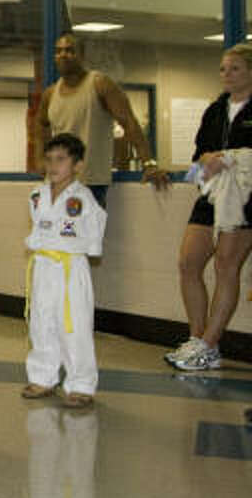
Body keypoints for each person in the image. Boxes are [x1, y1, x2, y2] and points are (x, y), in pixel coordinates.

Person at [165, 43, 252, 371]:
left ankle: (210, 342)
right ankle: (198, 339)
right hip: (213, 194)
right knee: (188, 262)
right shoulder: (215, 110)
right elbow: (199, 152)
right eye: (222, 69)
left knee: (226, 267)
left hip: (244, 199)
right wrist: (207, 159)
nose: (226, 75)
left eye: (235, 69)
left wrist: (233, 158)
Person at [22, 133, 107, 409]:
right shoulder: (37, 194)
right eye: (49, 159)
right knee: (41, 322)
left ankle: (81, 383)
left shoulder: (83, 198)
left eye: (61, 159)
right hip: (44, 265)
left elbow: (96, 226)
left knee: (74, 325)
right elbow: (37, 228)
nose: (53, 165)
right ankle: (43, 376)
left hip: (71, 267)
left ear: (77, 165)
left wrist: (91, 248)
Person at [37, 33, 170, 207]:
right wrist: (41, 160)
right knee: (51, 234)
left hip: (90, 184)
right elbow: (41, 126)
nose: (63, 55)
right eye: (58, 51)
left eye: (69, 50)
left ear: (81, 55)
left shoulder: (99, 84)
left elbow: (129, 122)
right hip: (56, 184)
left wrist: (148, 162)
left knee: (84, 234)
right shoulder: (50, 94)